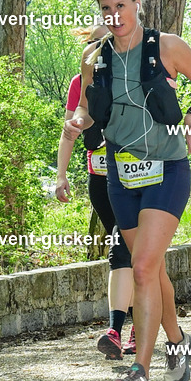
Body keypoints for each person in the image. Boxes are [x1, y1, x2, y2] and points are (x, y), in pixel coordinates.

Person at [64, 0, 191, 381]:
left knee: (145, 268)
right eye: (106, 9)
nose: (114, 15)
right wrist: (79, 121)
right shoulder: (95, 59)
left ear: (137, 4)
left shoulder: (166, 47)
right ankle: (178, 340)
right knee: (152, 270)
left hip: (167, 170)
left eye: (121, 6)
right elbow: (93, 113)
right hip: (120, 176)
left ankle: (140, 375)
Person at [56, 27, 136, 358]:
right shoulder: (80, 83)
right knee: (126, 251)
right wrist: (61, 176)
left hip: (136, 179)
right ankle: (131, 328)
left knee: (125, 250)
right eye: (97, 42)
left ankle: (119, 330)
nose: (101, 48)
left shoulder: (134, 75)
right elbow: (70, 130)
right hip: (100, 180)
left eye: (108, 42)